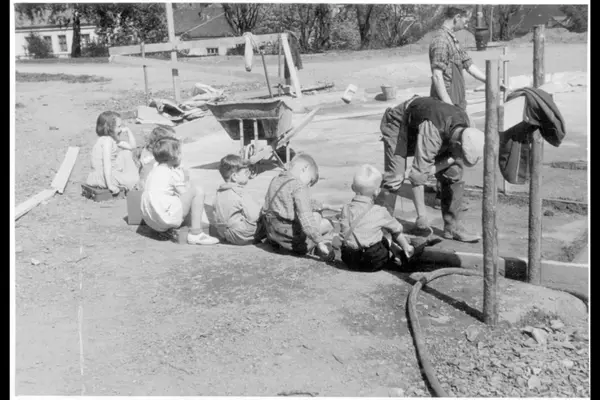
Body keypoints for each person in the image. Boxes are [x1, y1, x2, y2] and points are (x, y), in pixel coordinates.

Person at [402, 96, 485, 243]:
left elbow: (453, 158)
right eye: (461, 154)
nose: (460, 157)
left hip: (439, 130)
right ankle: (383, 227)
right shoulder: (431, 133)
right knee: (394, 177)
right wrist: (422, 217)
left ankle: (453, 227)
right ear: (458, 144)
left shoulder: (468, 126)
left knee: (454, 171)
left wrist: (433, 169)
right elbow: (417, 176)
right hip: (400, 124)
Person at [140, 137, 219, 245]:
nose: (181, 156)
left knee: (175, 198)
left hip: (151, 220)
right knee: (197, 191)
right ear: (173, 156)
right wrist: (184, 179)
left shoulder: (154, 170)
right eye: (180, 153)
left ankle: (173, 229)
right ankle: (196, 233)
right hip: (164, 219)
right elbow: (185, 193)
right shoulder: (173, 173)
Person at [340, 164, 415, 273]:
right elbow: (397, 229)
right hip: (373, 261)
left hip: (349, 260)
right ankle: (404, 250)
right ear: (377, 191)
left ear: (352, 187)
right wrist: (405, 244)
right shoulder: (379, 211)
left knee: (366, 232)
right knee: (386, 235)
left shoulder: (345, 209)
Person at [262, 153, 334, 260]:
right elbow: (306, 218)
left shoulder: (276, 180)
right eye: (310, 181)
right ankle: (324, 250)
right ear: (305, 168)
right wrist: (319, 242)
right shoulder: (299, 186)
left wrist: (325, 206)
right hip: (292, 243)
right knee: (326, 222)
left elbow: (291, 203)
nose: (308, 186)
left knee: (314, 214)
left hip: (274, 237)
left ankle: (313, 247)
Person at [429, 6, 497, 112]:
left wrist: (491, 81)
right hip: (445, 105)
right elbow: (437, 76)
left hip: (456, 101)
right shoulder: (441, 41)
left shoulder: (452, 39)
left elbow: (468, 64)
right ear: (457, 17)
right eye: (466, 21)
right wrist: (449, 106)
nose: (466, 25)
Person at [213, 154, 266, 245]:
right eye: (246, 172)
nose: (248, 175)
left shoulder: (219, 191)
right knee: (268, 218)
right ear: (234, 176)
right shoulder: (240, 192)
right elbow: (254, 216)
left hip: (223, 233)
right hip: (241, 235)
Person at [86, 111, 140, 193]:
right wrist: (110, 185)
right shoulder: (107, 141)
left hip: (110, 172)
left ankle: (131, 179)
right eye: (119, 126)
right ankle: (131, 180)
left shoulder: (112, 139)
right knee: (130, 179)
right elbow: (106, 163)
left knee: (126, 153)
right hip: (102, 176)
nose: (120, 129)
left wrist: (128, 131)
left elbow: (132, 147)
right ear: (109, 128)